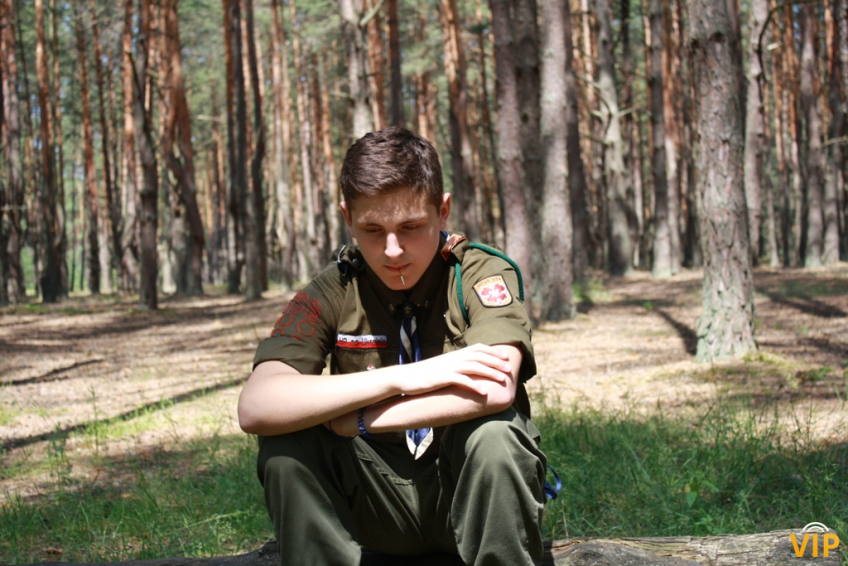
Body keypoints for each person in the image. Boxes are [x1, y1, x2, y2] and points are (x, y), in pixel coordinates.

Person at [238, 127, 547, 566]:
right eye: (372, 229)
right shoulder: (335, 289)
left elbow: (496, 388)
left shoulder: (477, 274)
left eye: (411, 227)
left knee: (496, 435)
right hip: (373, 499)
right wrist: (406, 377)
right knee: (286, 444)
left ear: (443, 211)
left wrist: (354, 420)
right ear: (347, 218)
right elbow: (257, 405)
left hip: (464, 489)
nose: (392, 250)